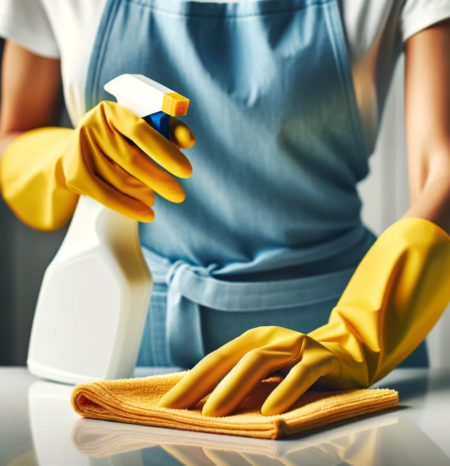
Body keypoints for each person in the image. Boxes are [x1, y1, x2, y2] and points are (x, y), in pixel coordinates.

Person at [1, 0, 450, 416]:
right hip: (122, 347)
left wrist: (355, 338)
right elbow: (12, 138)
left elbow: (441, 169)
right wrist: (66, 161)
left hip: (329, 355)